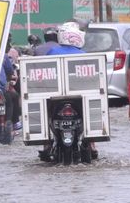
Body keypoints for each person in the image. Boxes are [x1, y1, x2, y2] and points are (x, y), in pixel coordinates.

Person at [42, 21, 98, 160]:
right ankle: (92, 144)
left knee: (45, 113)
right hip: (79, 96)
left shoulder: (53, 52)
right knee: (89, 115)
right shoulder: (84, 54)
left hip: (55, 96)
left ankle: (46, 143)